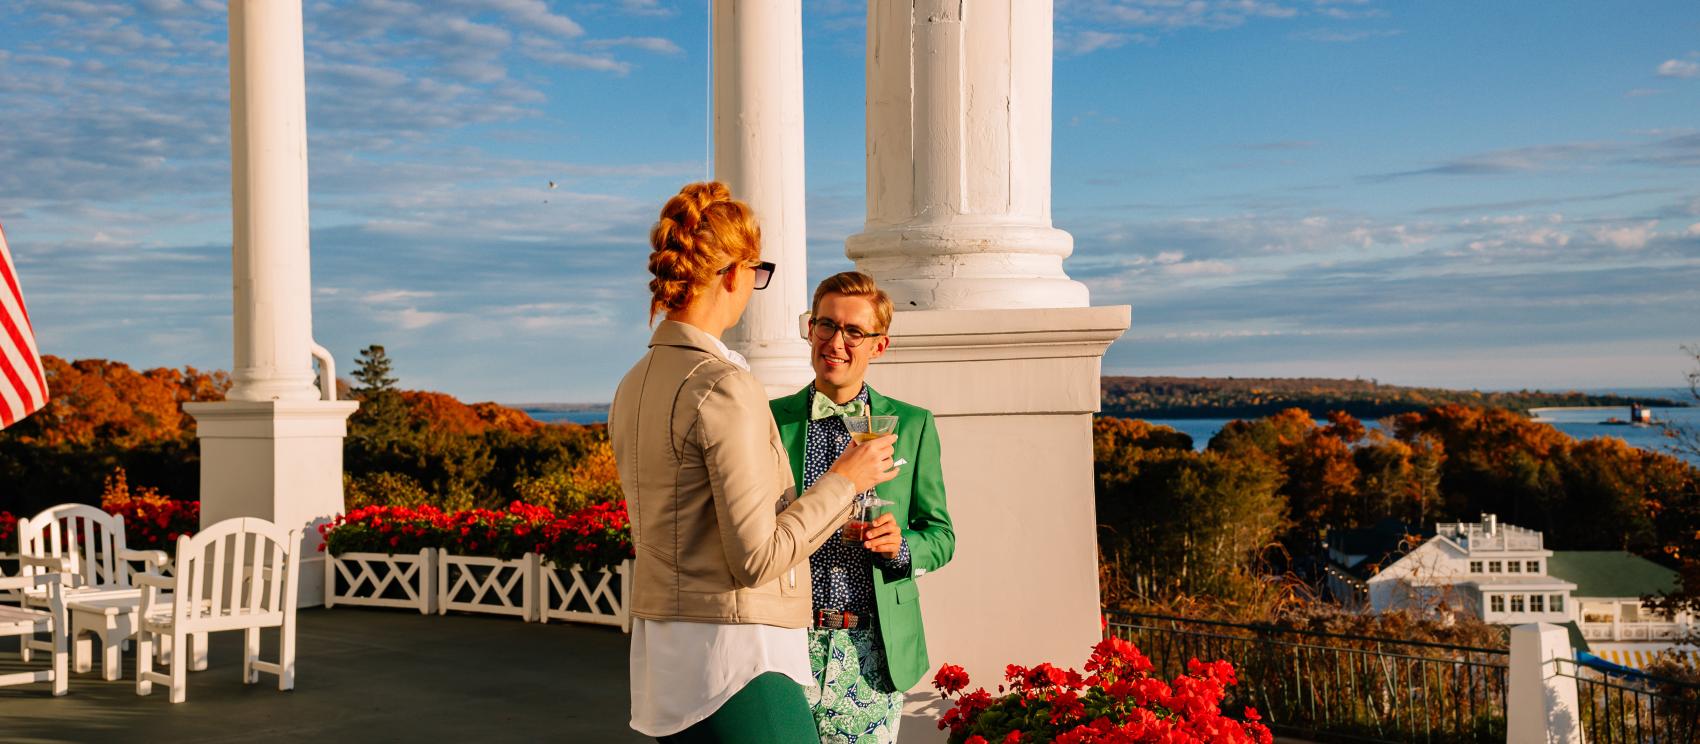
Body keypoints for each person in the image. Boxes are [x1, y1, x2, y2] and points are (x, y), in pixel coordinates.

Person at [611, 182, 900, 743]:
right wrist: (845, 480)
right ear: (732, 274)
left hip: (664, 657)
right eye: (757, 271)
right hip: (739, 657)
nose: (753, 285)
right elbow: (757, 558)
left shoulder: (633, 384)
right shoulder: (723, 385)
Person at [770, 271, 956, 744]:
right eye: (826, 325)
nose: (836, 342)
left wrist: (901, 546)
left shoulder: (912, 425)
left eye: (854, 331)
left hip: (872, 654)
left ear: (879, 345)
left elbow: (941, 535)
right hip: (782, 648)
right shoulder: (769, 420)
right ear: (810, 329)